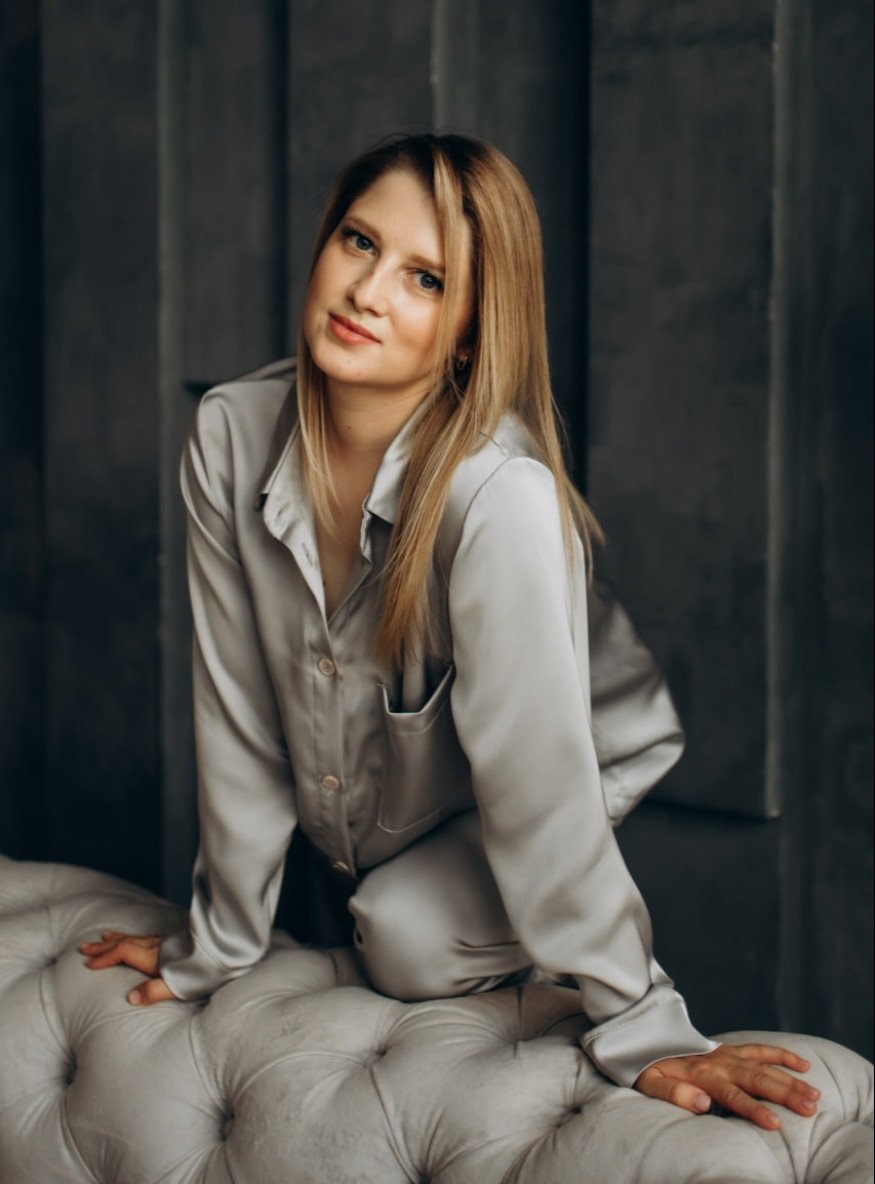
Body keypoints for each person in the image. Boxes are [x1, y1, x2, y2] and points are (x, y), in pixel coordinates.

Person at [80, 133, 818, 1130]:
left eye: (424, 278)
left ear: (470, 331)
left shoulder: (497, 497)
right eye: (358, 241)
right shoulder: (228, 433)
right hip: (398, 799)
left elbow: (534, 779)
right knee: (377, 911)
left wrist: (643, 1026)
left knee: (404, 932)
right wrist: (215, 945)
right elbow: (239, 713)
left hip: (572, 752)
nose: (366, 291)